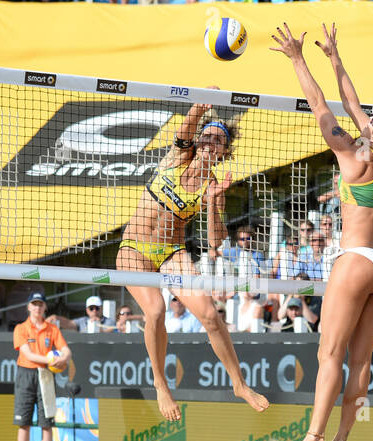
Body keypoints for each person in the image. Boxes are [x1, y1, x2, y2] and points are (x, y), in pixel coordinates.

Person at [270, 21, 373, 441]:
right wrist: (334, 58)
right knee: (361, 360)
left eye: (371, 118)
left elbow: (320, 105)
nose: (366, 116)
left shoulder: (350, 156)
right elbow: (352, 103)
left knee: (328, 356)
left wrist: (297, 58)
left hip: (356, 262)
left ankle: (314, 434)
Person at [115, 91, 268, 422]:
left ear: (224, 151)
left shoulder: (211, 185)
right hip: (134, 249)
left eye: (218, 140)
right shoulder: (176, 158)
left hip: (172, 252)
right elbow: (184, 134)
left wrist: (214, 203)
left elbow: (215, 242)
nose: (211, 141)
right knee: (155, 310)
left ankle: (239, 385)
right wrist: (199, 107)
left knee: (211, 316)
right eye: (207, 136)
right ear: (199, 140)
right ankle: (160, 383)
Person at [12, 291, 71, 441]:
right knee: (23, 423)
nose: (37, 307)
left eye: (40, 304)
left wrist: (64, 358)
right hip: (26, 373)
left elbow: (66, 350)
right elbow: (28, 355)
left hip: (45, 374)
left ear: (45, 307)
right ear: (28, 307)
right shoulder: (20, 328)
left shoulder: (52, 329)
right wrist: (51, 360)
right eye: (34, 304)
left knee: (47, 422)